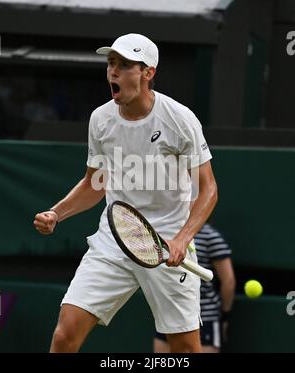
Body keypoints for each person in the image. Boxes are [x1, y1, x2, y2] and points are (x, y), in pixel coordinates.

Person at [33, 33, 218, 353]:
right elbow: (95, 182)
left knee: (185, 350)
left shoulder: (180, 119)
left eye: (125, 65)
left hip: (167, 241)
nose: (113, 72)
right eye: (110, 63)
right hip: (115, 237)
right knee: (64, 336)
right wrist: (57, 213)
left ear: (148, 73)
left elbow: (208, 189)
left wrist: (182, 238)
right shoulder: (101, 119)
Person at [154, 222, 236, 353]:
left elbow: (229, 282)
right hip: (170, 313)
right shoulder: (168, 232)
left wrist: (224, 316)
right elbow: (229, 281)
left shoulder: (211, 237)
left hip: (204, 318)